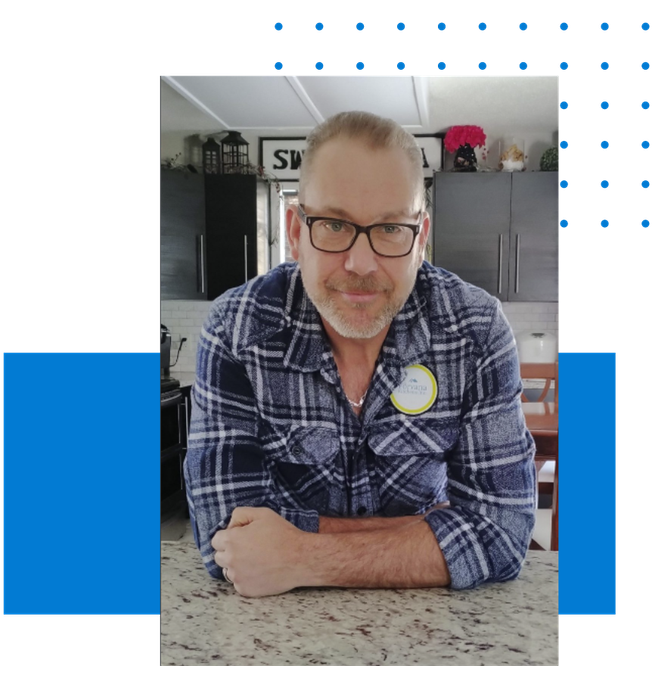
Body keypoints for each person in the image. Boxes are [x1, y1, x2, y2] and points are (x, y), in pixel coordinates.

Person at [183, 111, 536, 598]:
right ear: (295, 229)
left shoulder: (474, 329)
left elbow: (503, 532)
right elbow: (224, 539)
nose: (361, 264)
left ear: (421, 237)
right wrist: (428, 532)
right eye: (333, 224)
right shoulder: (237, 330)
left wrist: (300, 554)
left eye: (391, 228)